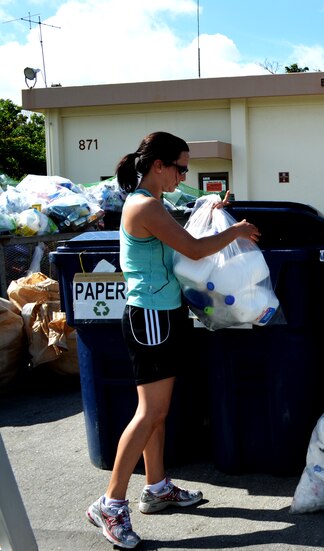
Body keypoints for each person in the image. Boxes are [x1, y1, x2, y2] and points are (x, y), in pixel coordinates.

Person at [86, 131, 260, 549]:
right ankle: (109, 504)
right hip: (149, 318)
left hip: (163, 315)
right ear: (158, 165)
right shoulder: (145, 206)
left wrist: (212, 207)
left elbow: (185, 221)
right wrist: (235, 230)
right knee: (149, 413)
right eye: (180, 167)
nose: (184, 175)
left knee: (158, 412)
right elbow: (195, 249)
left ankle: (158, 486)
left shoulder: (155, 202)